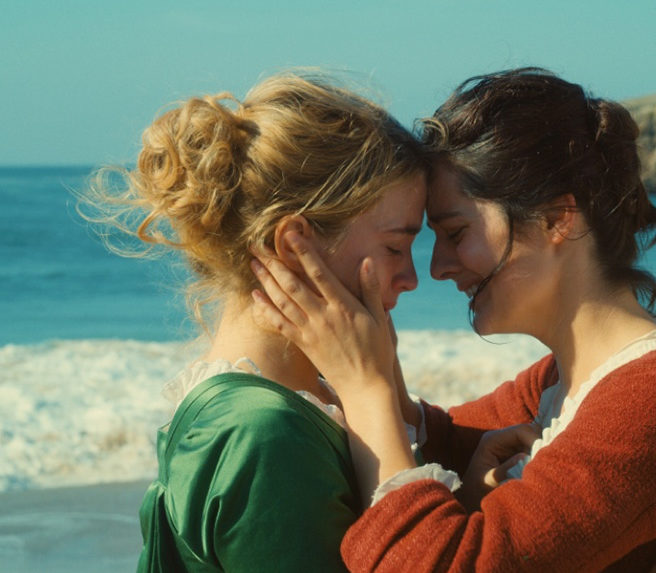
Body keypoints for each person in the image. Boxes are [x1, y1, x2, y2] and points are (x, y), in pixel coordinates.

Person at [249, 68, 656, 572]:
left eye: (455, 233)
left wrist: (365, 388)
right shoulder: (556, 386)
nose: (437, 267)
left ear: (555, 220)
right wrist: (371, 359)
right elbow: (442, 441)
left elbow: (442, 564)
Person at [83, 72, 429, 571]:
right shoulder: (266, 436)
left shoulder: (296, 405)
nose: (413, 277)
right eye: (396, 246)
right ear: (295, 244)